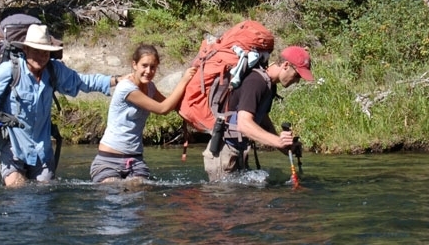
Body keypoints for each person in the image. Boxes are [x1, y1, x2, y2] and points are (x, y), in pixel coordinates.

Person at [0, 24, 122, 188]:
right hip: (13, 148)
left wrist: (116, 80)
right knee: (17, 189)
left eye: (45, 52)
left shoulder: (54, 70)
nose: (41, 56)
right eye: (36, 51)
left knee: (45, 193)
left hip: (42, 152)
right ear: (26, 50)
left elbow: (82, 81)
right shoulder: (10, 70)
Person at [203, 46, 314, 182]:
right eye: (297, 75)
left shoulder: (270, 86)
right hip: (223, 153)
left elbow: (263, 120)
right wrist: (277, 141)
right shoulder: (256, 82)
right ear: (285, 65)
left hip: (238, 151)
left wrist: (284, 147)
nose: (297, 81)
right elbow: (243, 124)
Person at [91, 44, 197, 183]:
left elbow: (172, 104)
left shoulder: (150, 87)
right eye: (144, 66)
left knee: (139, 189)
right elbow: (163, 109)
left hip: (135, 160)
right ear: (134, 65)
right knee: (113, 187)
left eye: (153, 67)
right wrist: (183, 80)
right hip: (108, 160)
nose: (148, 71)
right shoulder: (126, 88)